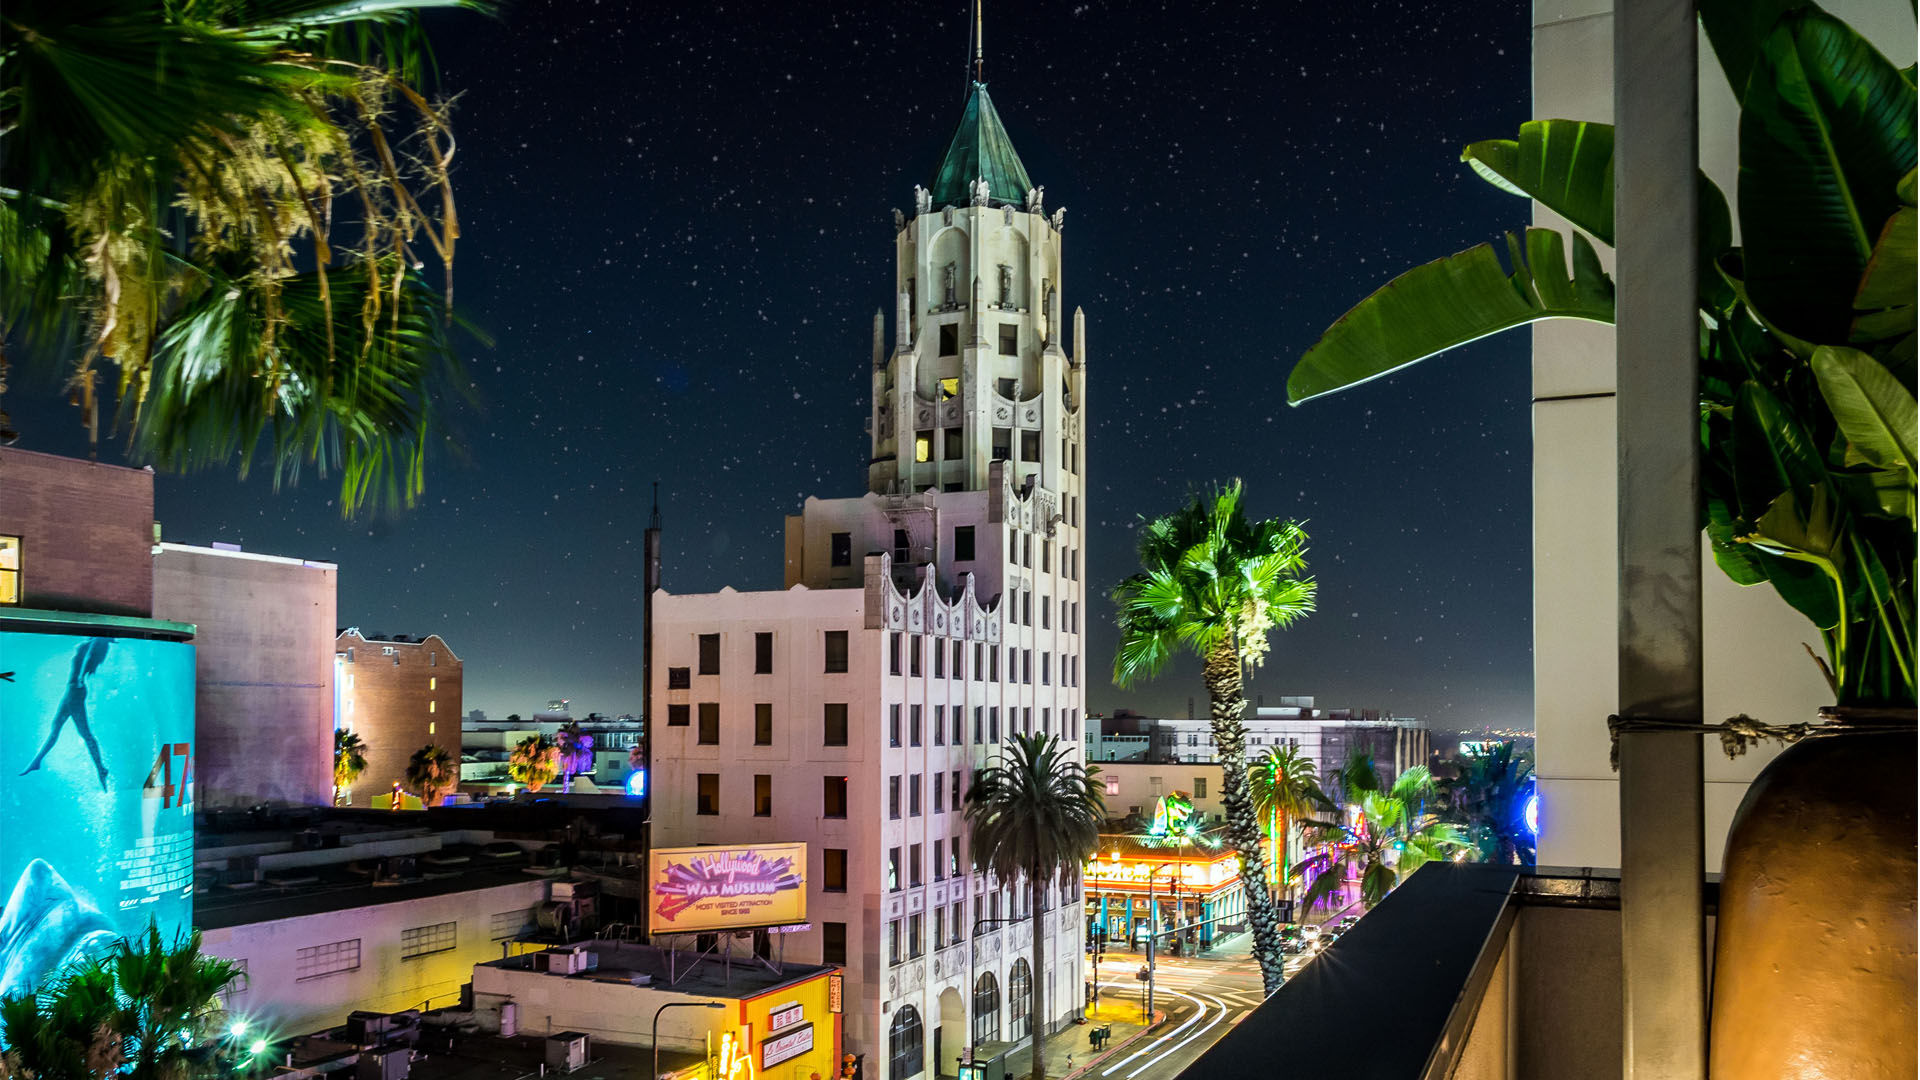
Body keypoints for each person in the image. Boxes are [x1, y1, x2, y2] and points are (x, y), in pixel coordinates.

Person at [21, 637, 112, 789]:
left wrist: (79, 678)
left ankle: (101, 769)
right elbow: (87, 657)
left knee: (83, 733)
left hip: (74, 690)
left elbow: (88, 657)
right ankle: (37, 761)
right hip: (72, 690)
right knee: (56, 728)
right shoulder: (93, 642)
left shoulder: (95, 641)